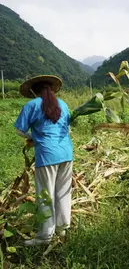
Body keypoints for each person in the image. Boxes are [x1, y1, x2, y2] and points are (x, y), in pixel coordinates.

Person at [14, 75, 73, 246]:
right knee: (63, 191)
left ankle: (45, 236)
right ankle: (62, 229)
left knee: (45, 195)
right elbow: (67, 128)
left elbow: (20, 130)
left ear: (34, 90)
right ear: (52, 89)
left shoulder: (31, 105)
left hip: (47, 155)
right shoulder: (63, 104)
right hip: (66, 153)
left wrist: (34, 136)